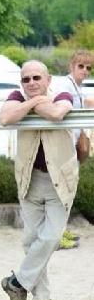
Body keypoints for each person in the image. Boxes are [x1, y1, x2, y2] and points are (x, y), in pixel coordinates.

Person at [0, 60, 76, 300]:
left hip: (59, 180)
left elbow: (56, 113)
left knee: (51, 237)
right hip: (29, 179)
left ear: (48, 79)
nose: (31, 83)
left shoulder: (62, 93)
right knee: (30, 240)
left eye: (36, 78)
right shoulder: (16, 96)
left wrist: (29, 107)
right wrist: (33, 103)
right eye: (26, 79)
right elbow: (5, 118)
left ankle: (17, 283)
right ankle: (41, 299)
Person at [57, 49, 92, 250]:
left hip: (71, 147)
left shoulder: (76, 87)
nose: (85, 71)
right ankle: (57, 234)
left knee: (68, 191)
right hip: (64, 148)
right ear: (71, 66)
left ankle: (61, 229)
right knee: (63, 191)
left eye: (88, 68)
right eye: (81, 66)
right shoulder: (65, 86)